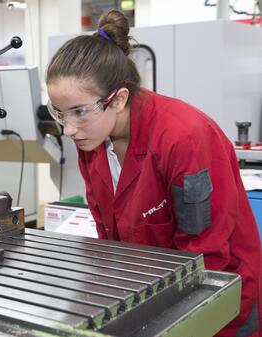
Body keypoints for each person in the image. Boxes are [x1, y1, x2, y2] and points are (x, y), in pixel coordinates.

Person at [46, 10, 261, 337]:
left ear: (118, 100)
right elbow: (109, 232)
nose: (69, 129)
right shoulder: (92, 136)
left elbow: (207, 254)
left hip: (223, 305)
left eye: (79, 112)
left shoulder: (183, 138)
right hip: (152, 294)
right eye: (61, 114)